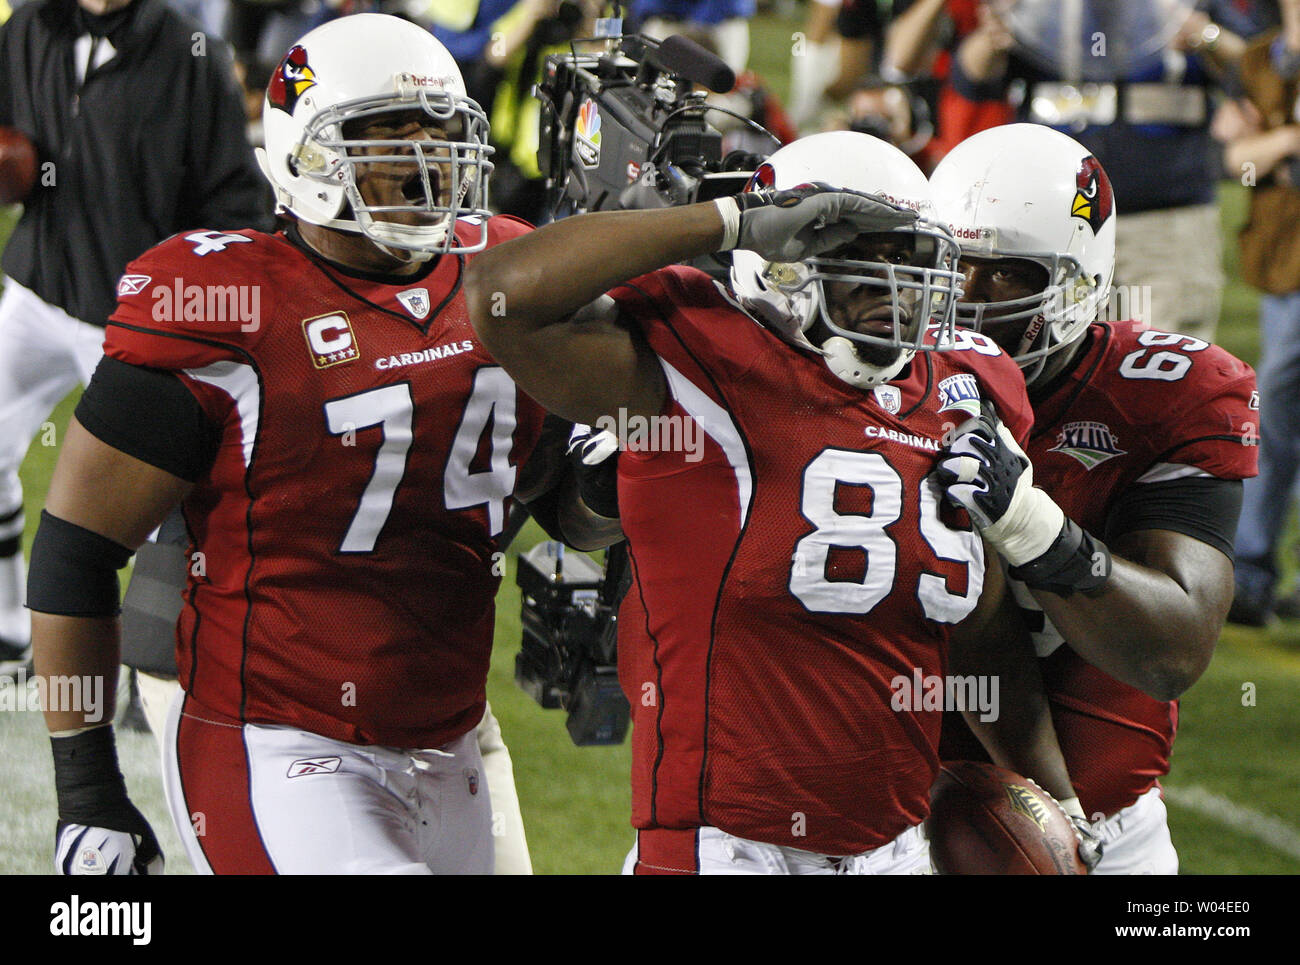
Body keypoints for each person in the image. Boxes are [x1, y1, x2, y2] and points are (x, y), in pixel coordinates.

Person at [467, 129, 1094, 874]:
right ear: (784, 261)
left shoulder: (968, 387)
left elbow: (978, 620)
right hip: (723, 849)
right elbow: (502, 297)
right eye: (865, 261)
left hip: (896, 851)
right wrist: (730, 218)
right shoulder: (697, 368)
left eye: (911, 261)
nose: (894, 291)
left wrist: (1059, 802)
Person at [30, 13, 550, 875]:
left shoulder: (506, 277)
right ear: (307, 154)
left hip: (454, 735)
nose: (426, 162)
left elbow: (539, 493)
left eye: (442, 135)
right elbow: (75, 555)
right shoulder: (225, 304)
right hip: (279, 738)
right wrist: (86, 791)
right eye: (388, 136)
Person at [928, 123, 1258, 873]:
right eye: (951, 267)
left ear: (1079, 282)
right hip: (893, 825)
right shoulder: (881, 373)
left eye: (1007, 274)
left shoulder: (1167, 392)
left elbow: (1172, 651)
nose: (968, 302)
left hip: (1107, 830)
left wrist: (1035, 528)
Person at [0, 0, 270, 672]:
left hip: (133, 321)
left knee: (164, 505)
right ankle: (8, 629)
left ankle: (164, 653)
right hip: (36, 290)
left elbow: (237, 201)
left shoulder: (193, 56)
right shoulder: (30, 27)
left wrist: (201, 308)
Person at [1221, 0, 1300, 624]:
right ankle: (1250, 572)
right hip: (1287, 259)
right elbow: (1239, 165)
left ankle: (1256, 570)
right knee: (1273, 407)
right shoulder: (1258, 59)